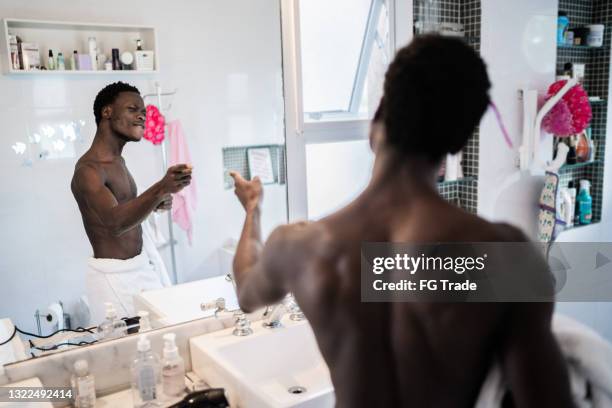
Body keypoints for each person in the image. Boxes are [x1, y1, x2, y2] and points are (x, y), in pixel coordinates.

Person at [229, 36, 573, 407]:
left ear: (377, 120)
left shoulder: (297, 247)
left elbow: (247, 290)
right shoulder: (504, 255)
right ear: (457, 144)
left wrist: (253, 209)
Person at [71, 82, 192, 324]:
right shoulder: (88, 170)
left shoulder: (119, 163)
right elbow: (113, 223)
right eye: (133, 109)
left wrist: (155, 201)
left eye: (144, 112)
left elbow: (124, 207)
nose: (142, 116)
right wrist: (160, 188)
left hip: (139, 268)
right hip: (114, 279)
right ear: (107, 112)